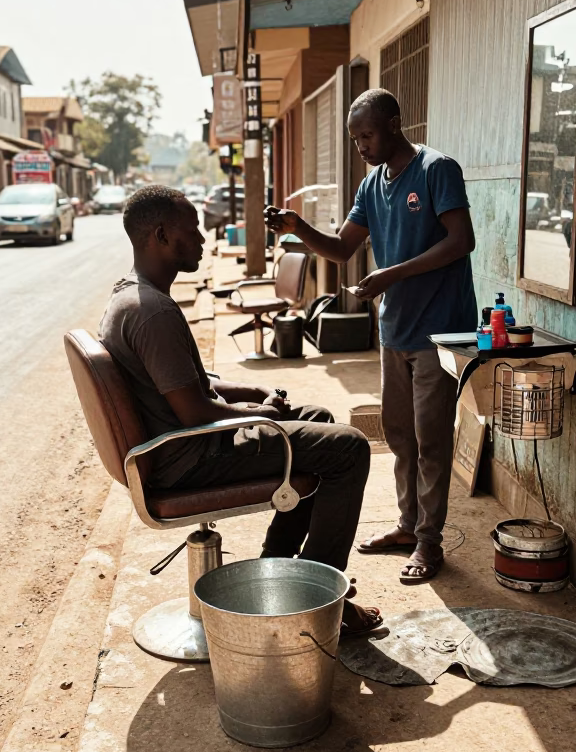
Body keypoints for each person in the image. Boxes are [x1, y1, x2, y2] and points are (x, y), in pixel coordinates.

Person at [99, 185, 382, 635]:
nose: (203, 240)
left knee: (319, 420)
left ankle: (280, 570)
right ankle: (323, 602)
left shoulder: (132, 295)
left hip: (185, 447)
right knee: (348, 448)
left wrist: (254, 389)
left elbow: (194, 384)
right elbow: (193, 411)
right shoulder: (152, 312)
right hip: (192, 457)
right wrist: (258, 414)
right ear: (160, 235)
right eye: (191, 230)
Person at [265, 88, 476, 583]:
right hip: (396, 327)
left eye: (367, 135)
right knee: (399, 436)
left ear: (395, 125)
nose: (360, 145)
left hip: (439, 330)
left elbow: (461, 241)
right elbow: (341, 248)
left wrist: (391, 276)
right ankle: (407, 526)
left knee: (431, 441)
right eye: (354, 138)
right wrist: (298, 228)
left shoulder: (436, 169)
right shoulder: (371, 184)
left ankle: (430, 541)